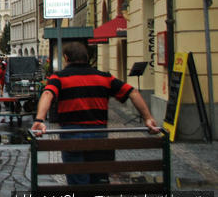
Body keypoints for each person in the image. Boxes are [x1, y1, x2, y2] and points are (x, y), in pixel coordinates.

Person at [31, 42, 159, 185]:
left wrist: (40, 120)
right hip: (99, 135)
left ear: (66, 58)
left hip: (71, 136)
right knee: (98, 180)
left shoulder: (59, 78)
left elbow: (48, 93)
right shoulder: (104, 77)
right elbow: (133, 92)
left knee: (78, 181)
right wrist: (148, 118)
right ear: (87, 57)